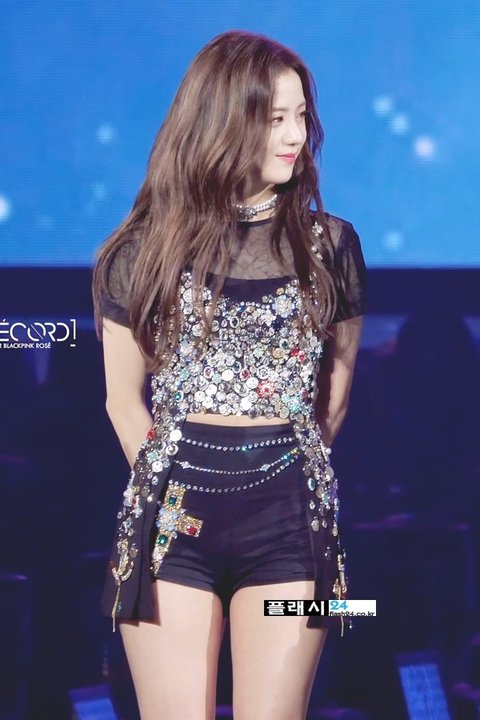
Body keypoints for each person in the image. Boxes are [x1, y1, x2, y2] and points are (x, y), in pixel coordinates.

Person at [92, 29, 367, 720]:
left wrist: (281, 473)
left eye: (301, 116)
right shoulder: (140, 250)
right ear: (223, 120)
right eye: (275, 118)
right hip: (172, 523)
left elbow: (332, 401)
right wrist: (168, 488)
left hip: (291, 525)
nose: (296, 135)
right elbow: (122, 402)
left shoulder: (331, 245)